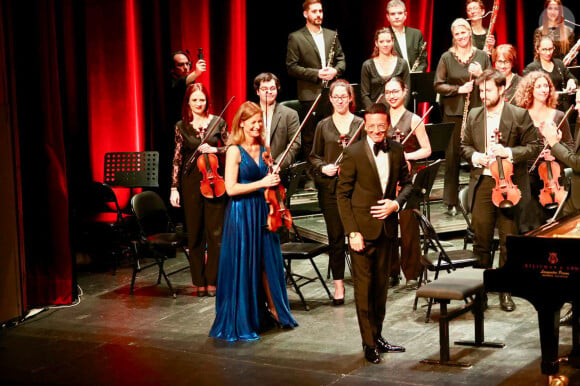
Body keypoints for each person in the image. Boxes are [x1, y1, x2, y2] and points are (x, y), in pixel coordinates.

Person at [209, 101, 298, 341]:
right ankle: (243, 317)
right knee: (245, 263)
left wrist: (273, 178)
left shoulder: (264, 147)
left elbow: (269, 177)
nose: (257, 126)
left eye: (260, 121)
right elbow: (230, 189)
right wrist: (262, 183)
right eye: (253, 122)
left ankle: (276, 311)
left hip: (263, 211)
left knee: (268, 263)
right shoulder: (234, 151)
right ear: (242, 123)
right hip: (241, 213)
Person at [336, 103, 412, 364]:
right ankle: (368, 343)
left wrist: (396, 203)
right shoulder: (354, 152)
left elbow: (408, 185)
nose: (377, 130)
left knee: (380, 289)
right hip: (361, 232)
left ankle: (378, 336)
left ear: (388, 125)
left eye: (382, 125)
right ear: (365, 126)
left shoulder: (397, 150)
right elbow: (342, 195)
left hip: (387, 229)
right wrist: (352, 231)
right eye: (372, 126)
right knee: (364, 289)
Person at [460, 68, 541, 312]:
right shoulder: (474, 115)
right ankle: (480, 292)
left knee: (509, 241)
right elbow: (464, 145)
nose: (483, 95)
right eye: (481, 91)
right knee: (481, 240)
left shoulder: (518, 114)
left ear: (501, 89)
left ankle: (506, 291)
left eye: (488, 90)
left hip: (509, 184)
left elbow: (534, 146)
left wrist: (509, 153)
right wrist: (475, 156)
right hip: (484, 183)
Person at [309, 80, 365, 305]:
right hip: (331, 190)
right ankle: (339, 286)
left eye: (344, 96)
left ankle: (362, 282)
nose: (340, 100)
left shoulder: (360, 124)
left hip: (356, 190)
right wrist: (324, 167)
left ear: (351, 98)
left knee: (357, 236)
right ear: (330, 99)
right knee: (335, 238)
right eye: (336, 97)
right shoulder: (323, 125)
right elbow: (314, 156)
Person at [170, 83, 227, 297]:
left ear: (207, 101)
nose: (198, 104)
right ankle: (199, 281)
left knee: (215, 234)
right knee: (194, 234)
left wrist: (215, 148)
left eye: (201, 100)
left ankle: (212, 280)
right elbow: (177, 158)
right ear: (188, 102)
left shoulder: (218, 122)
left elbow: (232, 147)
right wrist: (174, 188)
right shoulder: (182, 126)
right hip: (190, 182)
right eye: (194, 100)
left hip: (214, 182)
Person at [434, 18, 491, 216]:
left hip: (478, 112)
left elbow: (492, 82)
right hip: (453, 113)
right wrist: (459, 89)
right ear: (453, 36)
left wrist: (480, 73)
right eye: (457, 34)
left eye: (464, 32)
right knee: (452, 157)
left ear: (470, 33)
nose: (461, 37)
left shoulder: (482, 56)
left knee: (479, 155)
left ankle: (478, 197)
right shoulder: (446, 58)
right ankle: (450, 201)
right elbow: (438, 84)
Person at [286, 0, 346, 187]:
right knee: (311, 136)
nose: (318, 14)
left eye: (320, 11)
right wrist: (317, 74)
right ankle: (313, 173)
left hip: (332, 93)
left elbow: (341, 60)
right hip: (309, 93)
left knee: (333, 132)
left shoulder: (331, 35)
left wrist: (336, 71)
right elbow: (291, 67)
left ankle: (335, 168)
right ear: (306, 14)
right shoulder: (295, 37)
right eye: (314, 11)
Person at [383, 77, 431, 286]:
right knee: (388, 226)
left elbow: (427, 149)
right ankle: (391, 270)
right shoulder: (381, 118)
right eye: (388, 92)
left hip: (406, 180)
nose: (392, 96)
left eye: (395, 91)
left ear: (404, 92)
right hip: (385, 179)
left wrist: (407, 157)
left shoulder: (413, 119)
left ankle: (412, 271)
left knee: (409, 227)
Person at [538, 88, 580, 325]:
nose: (576, 107)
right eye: (576, 101)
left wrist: (554, 143)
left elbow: (577, 162)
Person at [514, 71, 573, 230]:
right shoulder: (520, 116)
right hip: (527, 175)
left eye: (546, 85)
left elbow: (570, 147)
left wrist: (554, 154)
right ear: (530, 90)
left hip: (552, 177)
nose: (543, 89)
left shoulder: (559, 115)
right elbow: (514, 146)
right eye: (538, 86)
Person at [523, 36, 577, 112]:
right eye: (544, 50)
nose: (548, 53)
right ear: (537, 50)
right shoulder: (531, 68)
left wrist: (571, 81)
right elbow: (526, 92)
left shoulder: (559, 64)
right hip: (543, 108)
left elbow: (572, 78)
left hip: (562, 109)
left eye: (550, 49)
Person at [360, 28, 410, 110]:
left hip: (398, 112)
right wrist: (375, 112)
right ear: (376, 43)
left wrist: (400, 111)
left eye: (388, 41)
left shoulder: (403, 64)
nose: (385, 44)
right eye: (381, 41)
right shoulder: (367, 65)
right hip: (375, 114)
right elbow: (364, 95)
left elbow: (406, 92)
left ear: (393, 42)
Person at [385, 0, 428, 72]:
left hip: (415, 78)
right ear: (388, 17)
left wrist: (416, 73)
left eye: (400, 13)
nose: (397, 17)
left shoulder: (416, 34)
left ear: (405, 15)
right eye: (393, 14)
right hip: (394, 80)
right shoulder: (383, 36)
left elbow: (423, 60)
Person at [169, 50, 207, 124]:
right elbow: (181, 82)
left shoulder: (189, 82)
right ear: (172, 68)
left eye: (188, 64)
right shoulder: (170, 83)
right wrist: (196, 72)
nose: (186, 67)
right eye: (180, 65)